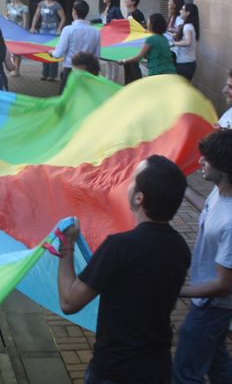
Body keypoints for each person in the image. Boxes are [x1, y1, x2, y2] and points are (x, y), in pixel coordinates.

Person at [57, 155, 190, 383]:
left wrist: (66, 247)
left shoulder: (119, 247)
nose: (127, 185)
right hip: (157, 367)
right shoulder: (180, 248)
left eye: (131, 180)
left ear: (139, 198)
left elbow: (69, 302)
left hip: (115, 370)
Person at [172, 129, 232, 383]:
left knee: (185, 371)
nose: (200, 162)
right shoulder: (230, 190)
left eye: (206, 159)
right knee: (216, 357)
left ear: (225, 167)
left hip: (214, 305)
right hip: (217, 302)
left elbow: (223, 285)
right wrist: (183, 188)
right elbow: (210, 212)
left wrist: (178, 290)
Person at [50, 0, 100, 94]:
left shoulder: (68, 30)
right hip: (88, 72)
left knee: (66, 100)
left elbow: (58, 54)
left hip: (71, 70)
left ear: (74, 12)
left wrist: (51, 53)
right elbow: (97, 55)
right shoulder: (95, 31)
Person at [117, 13, 175, 77]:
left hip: (157, 72)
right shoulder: (164, 38)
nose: (147, 24)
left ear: (152, 25)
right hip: (170, 71)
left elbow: (138, 57)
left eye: (148, 22)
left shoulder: (151, 39)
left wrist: (123, 61)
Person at [30, 0, 66, 82]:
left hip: (53, 30)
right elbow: (36, 15)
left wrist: (59, 29)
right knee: (44, 51)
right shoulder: (41, 4)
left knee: (53, 51)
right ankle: (44, 73)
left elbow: (63, 18)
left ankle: (52, 74)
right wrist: (33, 27)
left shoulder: (56, 6)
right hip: (43, 29)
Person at [172, 3, 200, 81]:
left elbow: (188, 42)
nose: (180, 11)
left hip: (185, 63)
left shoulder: (187, 26)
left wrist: (174, 43)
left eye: (182, 9)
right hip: (189, 62)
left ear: (188, 13)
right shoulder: (191, 25)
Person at [5, 0, 29, 77]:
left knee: (18, 51)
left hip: (19, 31)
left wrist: (24, 31)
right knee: (11, 50)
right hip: (10, 31)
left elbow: (25, 20)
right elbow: (6, 16)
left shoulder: (24, 7)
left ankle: (17, 69)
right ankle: (12, 67)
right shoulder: (9, 6)